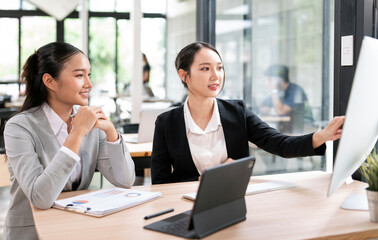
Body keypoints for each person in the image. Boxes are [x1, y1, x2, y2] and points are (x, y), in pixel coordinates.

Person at [151, 41, 344, 184]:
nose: (216, 75)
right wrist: (203, 179)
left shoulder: (237, 112)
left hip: (232, 200)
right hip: (184, 205)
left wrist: (322, 136)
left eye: (219, 68)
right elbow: (159, 181)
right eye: (205, 68)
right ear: (184, 75)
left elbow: (281, 144)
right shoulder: (166, 122)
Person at [3, 42, 135, 240]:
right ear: (49, 81)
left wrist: (111, 132)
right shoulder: (19, 127)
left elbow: (125, 181)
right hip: (32, 233)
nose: (89, 84)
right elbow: (41, 198)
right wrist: (77, 134)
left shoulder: (90, 123)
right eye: (79, 75)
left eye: (89, 75)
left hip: (75, 228)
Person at [259, 64, 312, 133]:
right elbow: (261, 104)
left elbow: (280, 111)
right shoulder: (280, 91)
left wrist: (274, 91)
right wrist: (264, 109)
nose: (267, 83)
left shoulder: (296, 91)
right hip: (285, 129)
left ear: (279, 80)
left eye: (270, 80)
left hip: (300, 131)